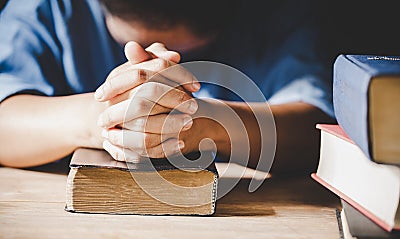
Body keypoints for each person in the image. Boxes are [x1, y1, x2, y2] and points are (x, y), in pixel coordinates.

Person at [0, 0, 334, 173]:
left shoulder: (275, 14)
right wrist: (104, 117)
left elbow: (319, 134)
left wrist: (202, 122)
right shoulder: (45, 8)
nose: (159, 64)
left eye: (185, 55)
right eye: (137, 48)